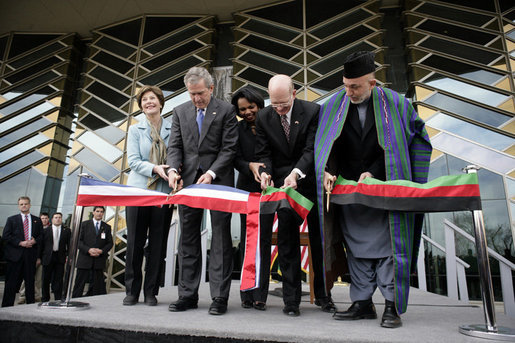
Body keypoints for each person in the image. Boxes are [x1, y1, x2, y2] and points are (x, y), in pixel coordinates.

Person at [315, 51, 432, 328]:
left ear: (372, 83)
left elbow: (409, 143)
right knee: (356, 248)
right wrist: (328, 170)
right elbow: (329, 143)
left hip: (385, 192)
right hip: (351, 195)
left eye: (355, 86)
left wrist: (378, 173)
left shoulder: (397, 104)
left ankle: (391, 306)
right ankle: (362, 303)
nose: (349, 92)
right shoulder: (334, 105)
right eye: (345, 85)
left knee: (389, 249)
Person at [254, 74, 334, 317]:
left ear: (294, 93)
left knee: (320, 242)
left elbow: (312, 149)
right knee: (287, 243)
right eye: (274, 103)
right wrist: (266, 174)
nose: (278, 109)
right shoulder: (263, 117)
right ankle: (291, 301)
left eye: (284, 104)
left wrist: (296, 174)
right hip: (282, 189)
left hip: (310, 183)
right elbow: (264, 152)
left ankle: (323, 296)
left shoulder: (312, 111)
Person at [167, 66, 238, 315]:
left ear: (211, 88)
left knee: (219, 239)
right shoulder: (179, 112)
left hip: (217, 180)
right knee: (187, 239)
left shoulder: (227, 110)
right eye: (191, 94)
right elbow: (174, 146)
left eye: (200, 93)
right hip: (187, 183)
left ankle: (219, 297)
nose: (196, 99)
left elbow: (229, 148)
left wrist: (211, 173)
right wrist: (173, 170)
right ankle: (187, 294)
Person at [124, 85, 173, 306]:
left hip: (163, 194)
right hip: (138, 192)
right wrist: (155, 168)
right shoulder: (135, 130)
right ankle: (132, 291)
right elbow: (133, 162)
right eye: (144, 100)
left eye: (152, 98)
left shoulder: (173, 128)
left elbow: (176, 156)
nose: (148, 102)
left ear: (161, 103)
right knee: (134, 243)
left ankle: (150, 291)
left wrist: (172, 172)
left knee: (157, 245)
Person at [231, 87, 266, 310]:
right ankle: (246, 293)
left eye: (251, 107)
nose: (247, 112)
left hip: (269, 189)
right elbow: (234, 157)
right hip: (246, 191)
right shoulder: (237, 128)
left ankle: (261, 294)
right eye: (242, 109)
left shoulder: (271, 123)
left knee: (263, 242)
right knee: (247, 241)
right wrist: (249, 166)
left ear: (259, 104)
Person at [1, 196, 43, 307]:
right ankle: (6, 307)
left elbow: (42, 236)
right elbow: (5, 236)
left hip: (30, 256)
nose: (24, 206)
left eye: (26, 204)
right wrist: (20, 243)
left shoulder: (37, 220)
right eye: (21, 204)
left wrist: (34, 241)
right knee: (11, 283)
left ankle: (30, 306)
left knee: (30, 283)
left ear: (30, 205)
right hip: (15, 256)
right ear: (19, 206)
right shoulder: (12, 219)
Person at [72, 206, 113, 298]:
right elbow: (78, 241)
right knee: (80, 283)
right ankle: (75, 299)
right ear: (93, 212)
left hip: (99, 260)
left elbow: (110, 243)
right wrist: (88, 250)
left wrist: (101, 251)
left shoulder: (106, 227)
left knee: (97, 285)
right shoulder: (84, 224)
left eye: (101, 212)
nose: (99, 213)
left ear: (103, 214)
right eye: (97, 211)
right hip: (85, 259)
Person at [17, 212, 48, 304]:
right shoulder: (34, 230)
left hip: (41, 259)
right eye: (42, 218)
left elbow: (44, 247)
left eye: (46, 218)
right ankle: (22, 296)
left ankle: (36, 296)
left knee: (38, 280)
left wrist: (39, 258)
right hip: (31, 257)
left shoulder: (48, 230)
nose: (44, 220)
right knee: (26, 278)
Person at [41, 212, 71, 302]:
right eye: (56, 217)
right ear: (52, 219)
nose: (57, 219)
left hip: (60, 257)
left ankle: (58, 298)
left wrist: (69, 256)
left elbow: (69, 245)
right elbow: (41, 246)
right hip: (48, 257)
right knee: (45, 279)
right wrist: (39, 258)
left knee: (58, 279)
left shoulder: (67, 231)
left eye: (59, 217)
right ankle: (45, 298)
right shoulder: (46, 230)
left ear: (61, 219)